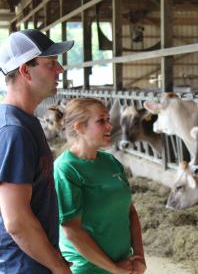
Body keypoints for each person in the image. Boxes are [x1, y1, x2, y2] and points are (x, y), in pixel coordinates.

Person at [0, 29, 74, 273]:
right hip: (21, 266)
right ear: (25, 70)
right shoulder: (14, 130)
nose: (60, 70)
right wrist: (58, 267)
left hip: (33, 260)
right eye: (51, 63)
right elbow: (17, 221)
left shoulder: (24, 121)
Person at [54, 97, 146, 274]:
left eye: (108, 120)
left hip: (125, 264)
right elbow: (71, 229)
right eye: (101, 121)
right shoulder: (66, 169)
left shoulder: (111, 161)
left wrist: (139, 256)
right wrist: (113, 268)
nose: (110, 126)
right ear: (80, 127)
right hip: (89, 269)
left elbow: (130, 211)